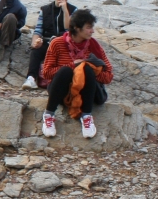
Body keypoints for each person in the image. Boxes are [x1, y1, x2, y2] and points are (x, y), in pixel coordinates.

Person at [40, 9, 113, 139]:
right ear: (77, 28)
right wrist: (73, 65)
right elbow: (46, 73)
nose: (92, 31)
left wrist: (88, 68)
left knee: (86, 68)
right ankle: (49, 114)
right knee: (66, 70)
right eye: (89, 27)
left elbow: (108, 76)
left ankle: (86, 116)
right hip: (63, 90)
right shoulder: (57, 43)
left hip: (87, 92)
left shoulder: (94, 46)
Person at [23, 0, 77, 90]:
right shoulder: (45, 10)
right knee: (36, 51)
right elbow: (38, 29)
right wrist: (35, 42)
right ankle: (31, 78)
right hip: (47, 41)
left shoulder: (73, 10)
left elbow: (69, 28)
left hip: (64, 43)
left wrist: (66, 11)